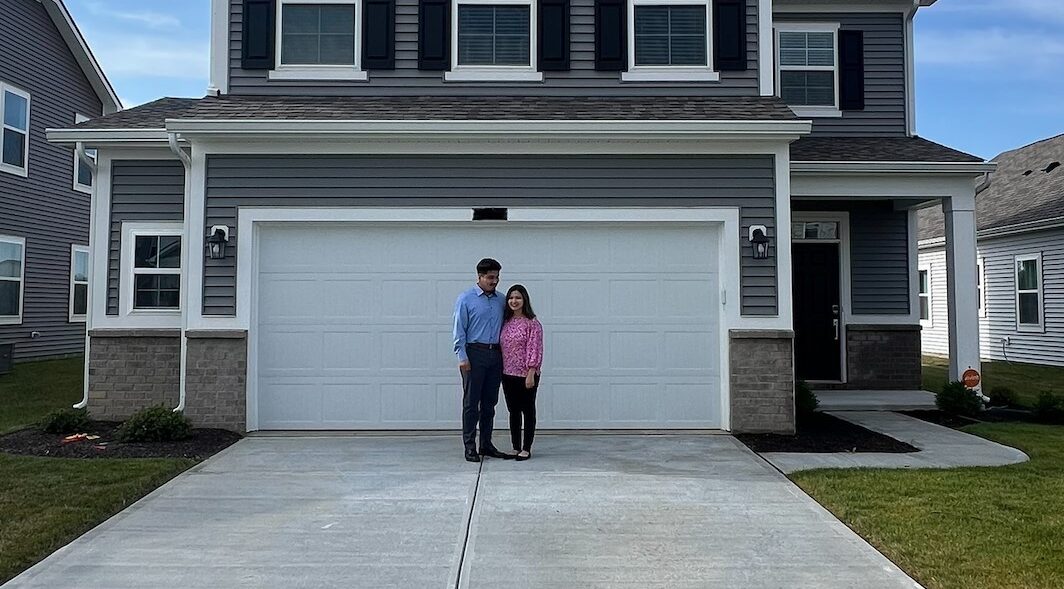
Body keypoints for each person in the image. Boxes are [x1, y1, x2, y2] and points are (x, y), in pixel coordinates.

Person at [453, 258, 513, 462]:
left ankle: (486, 444)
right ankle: (469, 446)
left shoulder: (501, 300)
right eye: (490, 277)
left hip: (495, 355)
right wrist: (462, 357)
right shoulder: (466, 299)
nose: (494, 281)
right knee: (471, 403)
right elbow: (459, 329)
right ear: (479, 276)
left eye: (496, 277)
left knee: (490, 403)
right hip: (474, 354)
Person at [500, 284, 543, 461]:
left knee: (528, 410)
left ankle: (526, 448)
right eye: (511, 298)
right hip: (508, 374)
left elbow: (535, 348)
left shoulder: (532, 323)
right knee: (513, 411)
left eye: (517, 297)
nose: (514, 301)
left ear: (524, 299)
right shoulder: (506, 322)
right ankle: (515, 446)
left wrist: (531, 371)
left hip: (526, 374)